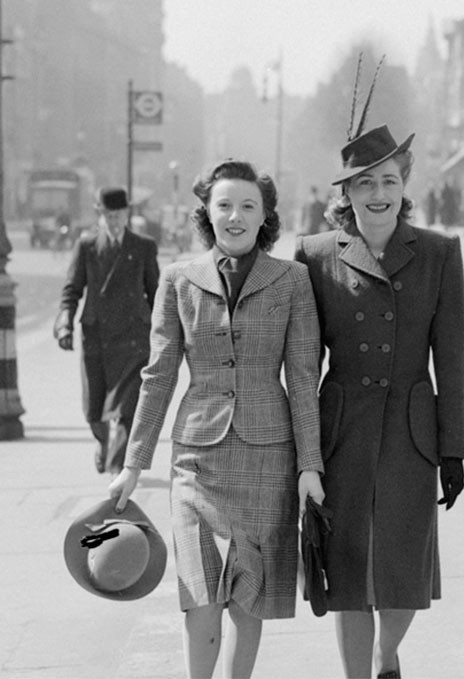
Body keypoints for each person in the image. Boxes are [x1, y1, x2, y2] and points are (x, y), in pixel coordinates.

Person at [108, 160, 324, 679]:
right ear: (206, 212)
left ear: (265, 216)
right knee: (199, 593)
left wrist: (309, 466)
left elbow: (303, 377)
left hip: (268, 458)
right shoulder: (177, 280)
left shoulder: (293, 280)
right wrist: (133, 465)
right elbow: (158, 376)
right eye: (224, 205)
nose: (235, 216)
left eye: (248, 206)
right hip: (196, 463)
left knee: (250, 597)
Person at [294, 123, 464, 679]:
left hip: (411, 433)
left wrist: (453, 448)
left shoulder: (439, 252)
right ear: (346, 192)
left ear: (404, 186)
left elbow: (453, 359)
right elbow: (303, 365)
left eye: (389, 181)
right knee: (347, 573)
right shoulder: (315, 255)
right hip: (342, 430)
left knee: (402, 569)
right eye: (365, 183)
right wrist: (306, 455)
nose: (378, 194)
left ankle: (385, 655)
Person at [53, 186, 159, 476]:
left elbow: (156, 293)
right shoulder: (86, 246)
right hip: (96, 336)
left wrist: (165, 331)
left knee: (126, 408)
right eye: (108, 216)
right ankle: (102, 443)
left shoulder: (143, 246)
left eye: (118, 215)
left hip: (133, 338)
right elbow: (72, 290)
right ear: (99, 215)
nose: (114, 222)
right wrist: (64, 322)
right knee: (94, 409)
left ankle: (116, 470)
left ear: (127, 213)